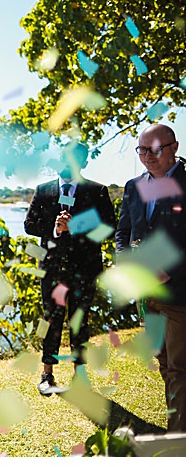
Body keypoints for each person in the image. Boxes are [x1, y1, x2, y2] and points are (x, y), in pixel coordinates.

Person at [24, 142, 115, 395]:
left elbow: (109, 227)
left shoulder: (97, 191)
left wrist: (76, 226)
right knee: (51, 321)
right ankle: (47, 374)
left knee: (80, 323)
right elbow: (29, 225)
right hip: (52, 271)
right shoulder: (43, 191)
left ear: (84, 163)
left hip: (84, 270)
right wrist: (55, 228)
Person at [115, 123, 186, 433]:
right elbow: (123, 232)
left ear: (174, 147)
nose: (147, 156)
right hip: (148, 294)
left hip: (181, 292)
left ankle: (179, 436)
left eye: (154, 149)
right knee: (162, 361)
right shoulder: (133, 186)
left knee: (180, 367)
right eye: (142, 150)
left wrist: (170, 269)